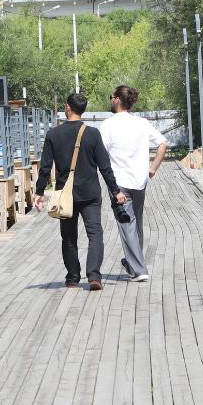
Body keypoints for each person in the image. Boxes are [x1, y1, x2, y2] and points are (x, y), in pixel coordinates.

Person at [33, 92, 126, 290]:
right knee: (95, 234)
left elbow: (45, 167)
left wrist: (39, 192)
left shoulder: (53, 134)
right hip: (90, 194)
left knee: (68, 237)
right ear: (83, 110)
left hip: (64, 196)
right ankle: (94, 276)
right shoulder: (92, 134)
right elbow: (105, 167)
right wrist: (116, 190)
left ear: (67, 107)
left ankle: (72, 278)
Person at [100, 84, 168, 282]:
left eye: (111, 97)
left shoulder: (108, 125)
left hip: (119, 183)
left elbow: (101, 155)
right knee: (136, 223)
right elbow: (163, 144)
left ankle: (139, 270)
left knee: (126, 224)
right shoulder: (142, 123)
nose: (110, 100)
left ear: (117, 99)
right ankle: (132, 264)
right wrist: (153, 168)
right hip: (140, 181)